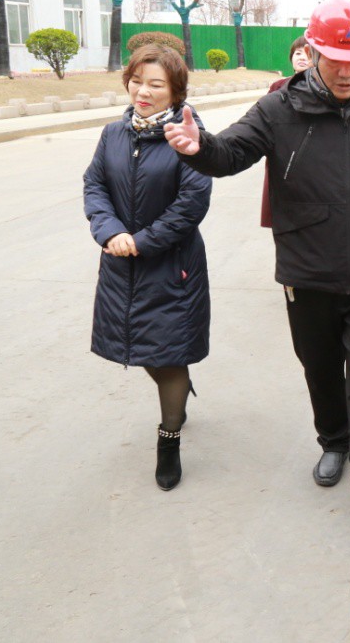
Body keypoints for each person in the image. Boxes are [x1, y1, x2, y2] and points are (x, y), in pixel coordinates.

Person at [163, 0, 350, 523]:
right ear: (313, 52)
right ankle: (334, 440)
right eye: (335, 61)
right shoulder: (279, 109)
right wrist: (199, 148)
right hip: (308, 268)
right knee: (321, 366)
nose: (347, 73)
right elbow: (231, 152)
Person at [84, 44, 212, 491]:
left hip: (172, 267)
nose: (143, 91)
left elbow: (192, 203)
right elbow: (95, 185)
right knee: (142, 347)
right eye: (137, 82)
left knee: (168, 355)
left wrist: (141, 242)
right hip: (120, 264)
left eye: (155, 85)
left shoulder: (189, 137)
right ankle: (177, 390)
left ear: (175, 91)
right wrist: (110, 232)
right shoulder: (112, 134)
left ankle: (169, 439)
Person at [260, 36, 312, 228]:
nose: (302, 57)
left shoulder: (323, 87)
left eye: (306, 54)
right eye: (297, 53)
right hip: (282, 159)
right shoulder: (278, 87)